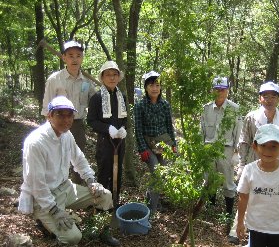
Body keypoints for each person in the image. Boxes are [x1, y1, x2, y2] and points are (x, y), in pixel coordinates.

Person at [19, 96, 120, 246]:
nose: (66, 119)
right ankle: (43, 220)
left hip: (65, 187)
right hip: (43, 198)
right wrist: (54, 211)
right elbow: (37, 184)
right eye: (60, 114)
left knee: (105, 196)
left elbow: (79, 160)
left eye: (70, 115)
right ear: (49, 115)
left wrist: (91, 181)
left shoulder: (66, 134)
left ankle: (100, 231)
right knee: (72, 238)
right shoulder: (36, 142)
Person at [228, 81, 279, 244]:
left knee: (271, 199)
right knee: (246, 195)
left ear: (278, 99)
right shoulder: (251, 117)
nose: (269, 100)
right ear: (260, 99)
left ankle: (265, 234)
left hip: (277, 167)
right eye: (265, 96)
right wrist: (242, 166)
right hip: (254, 163)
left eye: (273, 96)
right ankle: (237, 229)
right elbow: (244, 142)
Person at [41, 40, 97, 184]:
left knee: (78, 158)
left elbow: (95, 101)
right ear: (64, 58)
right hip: (56, 125)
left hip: (77, 124)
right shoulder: (54, 79)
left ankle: (78, 191)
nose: (74, 59)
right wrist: (49, 129)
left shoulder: (86, 81)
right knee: (55, 158)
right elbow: (46, 108)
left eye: (78, 55)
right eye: (70, 55)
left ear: (82, 58)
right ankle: (54, 190)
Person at [134, 71, 177, 213]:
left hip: (163, 145)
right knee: (157, 174)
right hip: (147, 145)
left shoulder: (165, 105)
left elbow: (169, 127)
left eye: (157, 85)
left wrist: (173, 145)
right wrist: (142, 149)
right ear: (146, 87)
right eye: (151, 85)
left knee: (161, 174)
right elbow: (138, 129)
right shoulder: (140, 106)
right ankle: (152, 209)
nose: (155, 88)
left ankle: (151, 199)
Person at [200, 76, 242, 217]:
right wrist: (202, 150)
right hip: (208, 148)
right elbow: (202, 131)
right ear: (212, 90)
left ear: (227, 91)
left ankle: (228, 214)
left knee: (228, 181)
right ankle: (211, 209)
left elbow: (238, 132)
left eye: (222, 89)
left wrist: (236, 152)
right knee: (209, 179)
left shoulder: (234, 109)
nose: (219, 92)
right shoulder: (206, 109)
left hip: (226, 149)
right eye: (216, 89)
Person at [87, 60, 127, 208]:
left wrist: (123, 129)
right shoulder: (97, 98)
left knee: (118, 172)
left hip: (120, 142)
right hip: (105, 142)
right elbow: (91, 121)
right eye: (108, 75)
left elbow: (125, 119)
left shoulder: (121, 96)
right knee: (104, 172)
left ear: (118, 77)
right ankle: (103, 205)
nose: (112, 78)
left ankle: (115, 201)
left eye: (115, 75)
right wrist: (107, 129)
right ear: (102, 77)